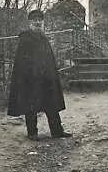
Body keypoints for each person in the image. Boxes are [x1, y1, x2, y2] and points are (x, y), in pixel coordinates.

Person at [7, 9, 72, 140]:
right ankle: (32, 133)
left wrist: (51, 75)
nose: (38, 22)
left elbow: (49, 59)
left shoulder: (43, 38)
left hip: (47, 78)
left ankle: (57, 131)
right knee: (30, 106)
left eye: (40, 20)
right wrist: (29, 76)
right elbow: (21, 62)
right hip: (31, 79)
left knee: (52, 104)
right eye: (34, 20)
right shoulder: (25, 39)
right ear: (30, 22)